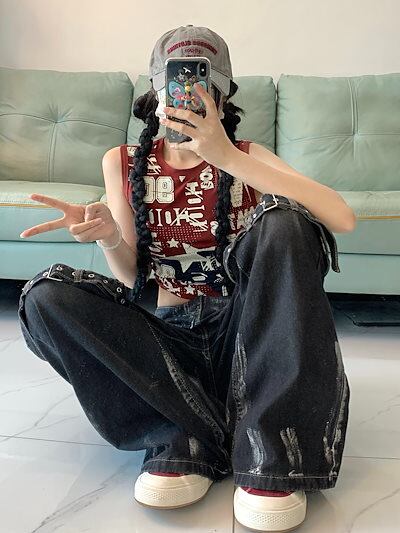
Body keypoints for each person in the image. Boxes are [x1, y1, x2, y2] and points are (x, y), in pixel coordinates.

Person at [17, 25, 354, 532]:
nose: (187, 98)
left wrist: (227, 157)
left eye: (201, 86)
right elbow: (135, 277)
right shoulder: (122, 162)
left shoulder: (249, 156)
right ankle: (184, 435)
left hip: (244, 335)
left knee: (285, 222)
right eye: (175, 85)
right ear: (155, 93)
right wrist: (109, 236)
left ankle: (271, 453)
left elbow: (341, 218)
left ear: (222, 95)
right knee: (46, 297)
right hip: (169, 338)